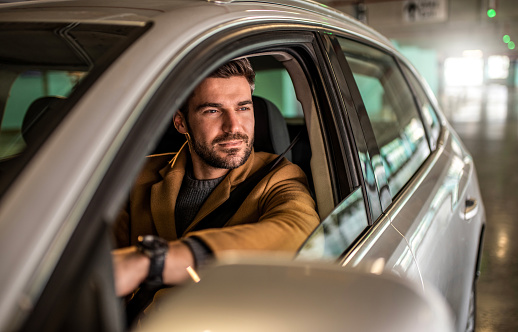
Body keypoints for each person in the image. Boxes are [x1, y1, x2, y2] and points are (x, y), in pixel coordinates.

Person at [112, 58, 319, 297]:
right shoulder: (138, 174)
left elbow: (298, 232)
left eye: (243, 108)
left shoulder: (279, 175)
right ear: (181, 122)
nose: (233, 126)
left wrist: (155, 261)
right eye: (212, 110)